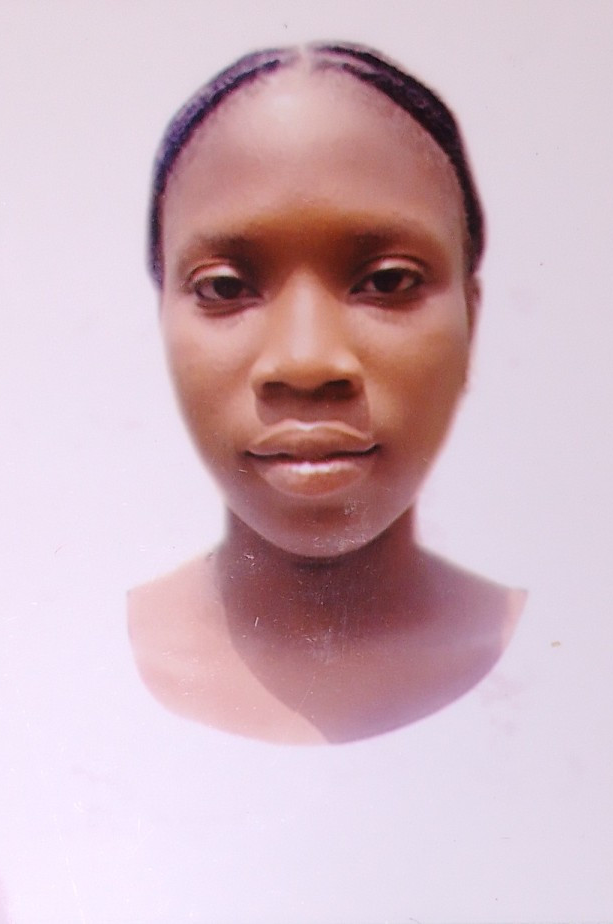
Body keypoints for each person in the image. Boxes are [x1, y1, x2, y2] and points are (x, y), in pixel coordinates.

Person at [128, 42, 525, 745]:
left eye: (388, 281)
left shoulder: (608, 668)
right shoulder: (44, 675)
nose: (306, 362)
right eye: (224, 287)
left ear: (472, 319)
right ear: (161, 319)